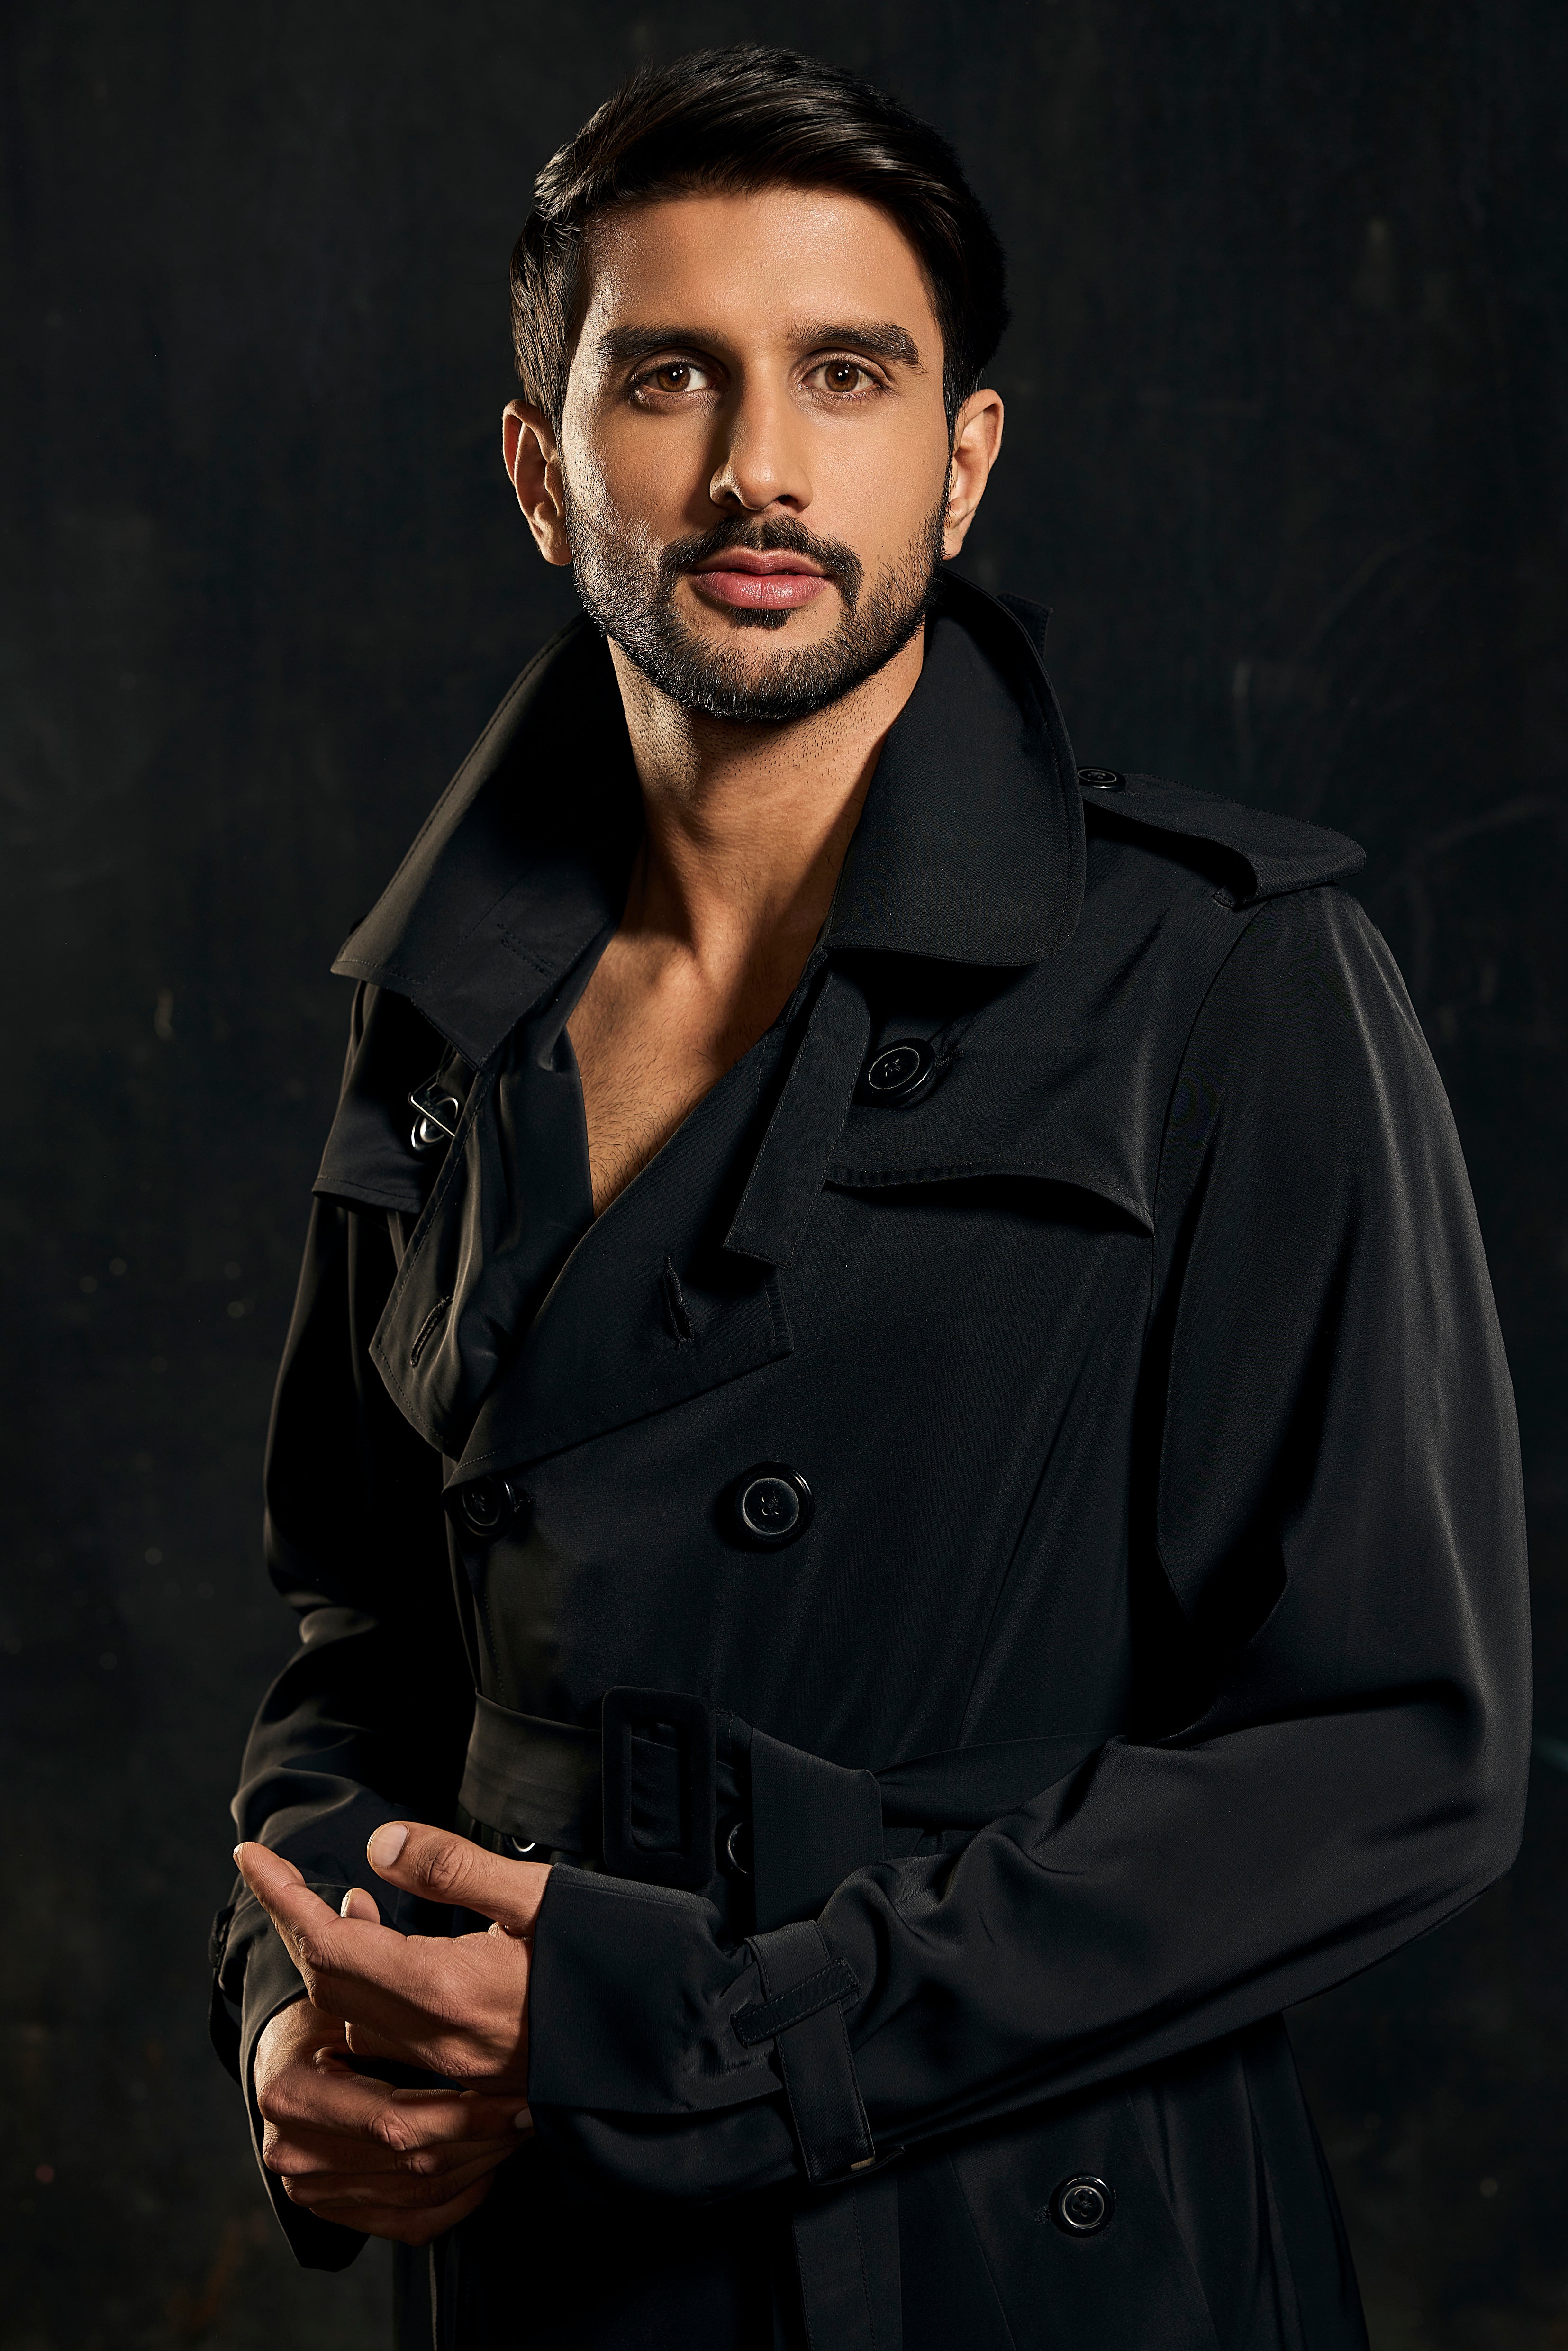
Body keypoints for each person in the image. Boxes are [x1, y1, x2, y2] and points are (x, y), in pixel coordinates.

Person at [211, 44, 1532, 2351]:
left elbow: (1393, 1749)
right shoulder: (440, 1010)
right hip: (552, 2248)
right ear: (540, 474)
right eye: (669, 378)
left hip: (1034, 2239)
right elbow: (369, 1636)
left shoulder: (1225, 977)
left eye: (847, 373)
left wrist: (728, 2037)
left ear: (965, 455)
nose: (761, 463)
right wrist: (293, 2010)